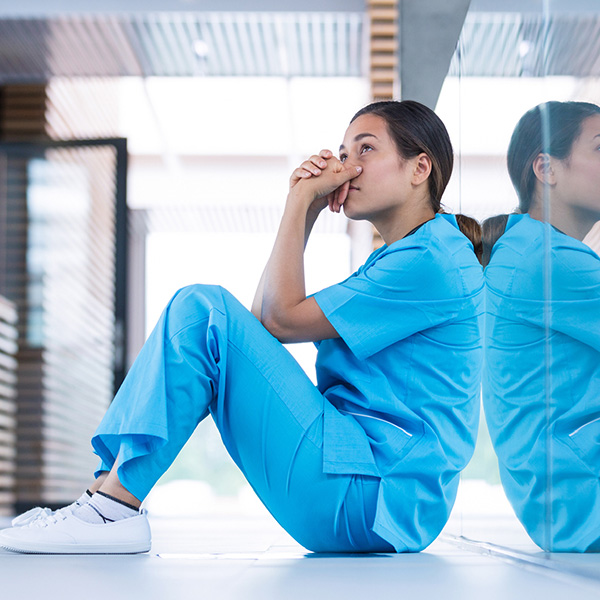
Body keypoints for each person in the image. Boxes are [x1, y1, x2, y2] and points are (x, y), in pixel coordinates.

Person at [0, 100, 484, 555]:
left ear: (420, 168)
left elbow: (275, 319)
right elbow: (268, 318)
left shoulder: (431, 261)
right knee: (205, 314)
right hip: (364, 486)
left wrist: (299, 203)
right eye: (342, 153)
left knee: (202, 310)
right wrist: (306, 208)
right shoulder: (408, 256)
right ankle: (102, 501)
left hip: (370, 494)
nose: (348, 165)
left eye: (366, 149)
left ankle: (110, 511)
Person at [483, 101, 600, 551]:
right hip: (587, 497)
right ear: (546, 168)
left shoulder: (525, 247)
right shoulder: (549, 260)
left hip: (567, 501)